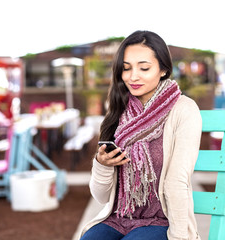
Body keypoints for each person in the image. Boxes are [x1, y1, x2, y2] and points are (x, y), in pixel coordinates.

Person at [79, 30, 202, 240]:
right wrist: (102, 165)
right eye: (126, 69)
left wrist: (181, 236)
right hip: (119, 217)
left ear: (163, 69)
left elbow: (177, 181)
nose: (133, 76)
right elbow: (100, 197)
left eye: (144, 68)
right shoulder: (119, 110)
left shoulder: (184, 109)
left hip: (161, 220)